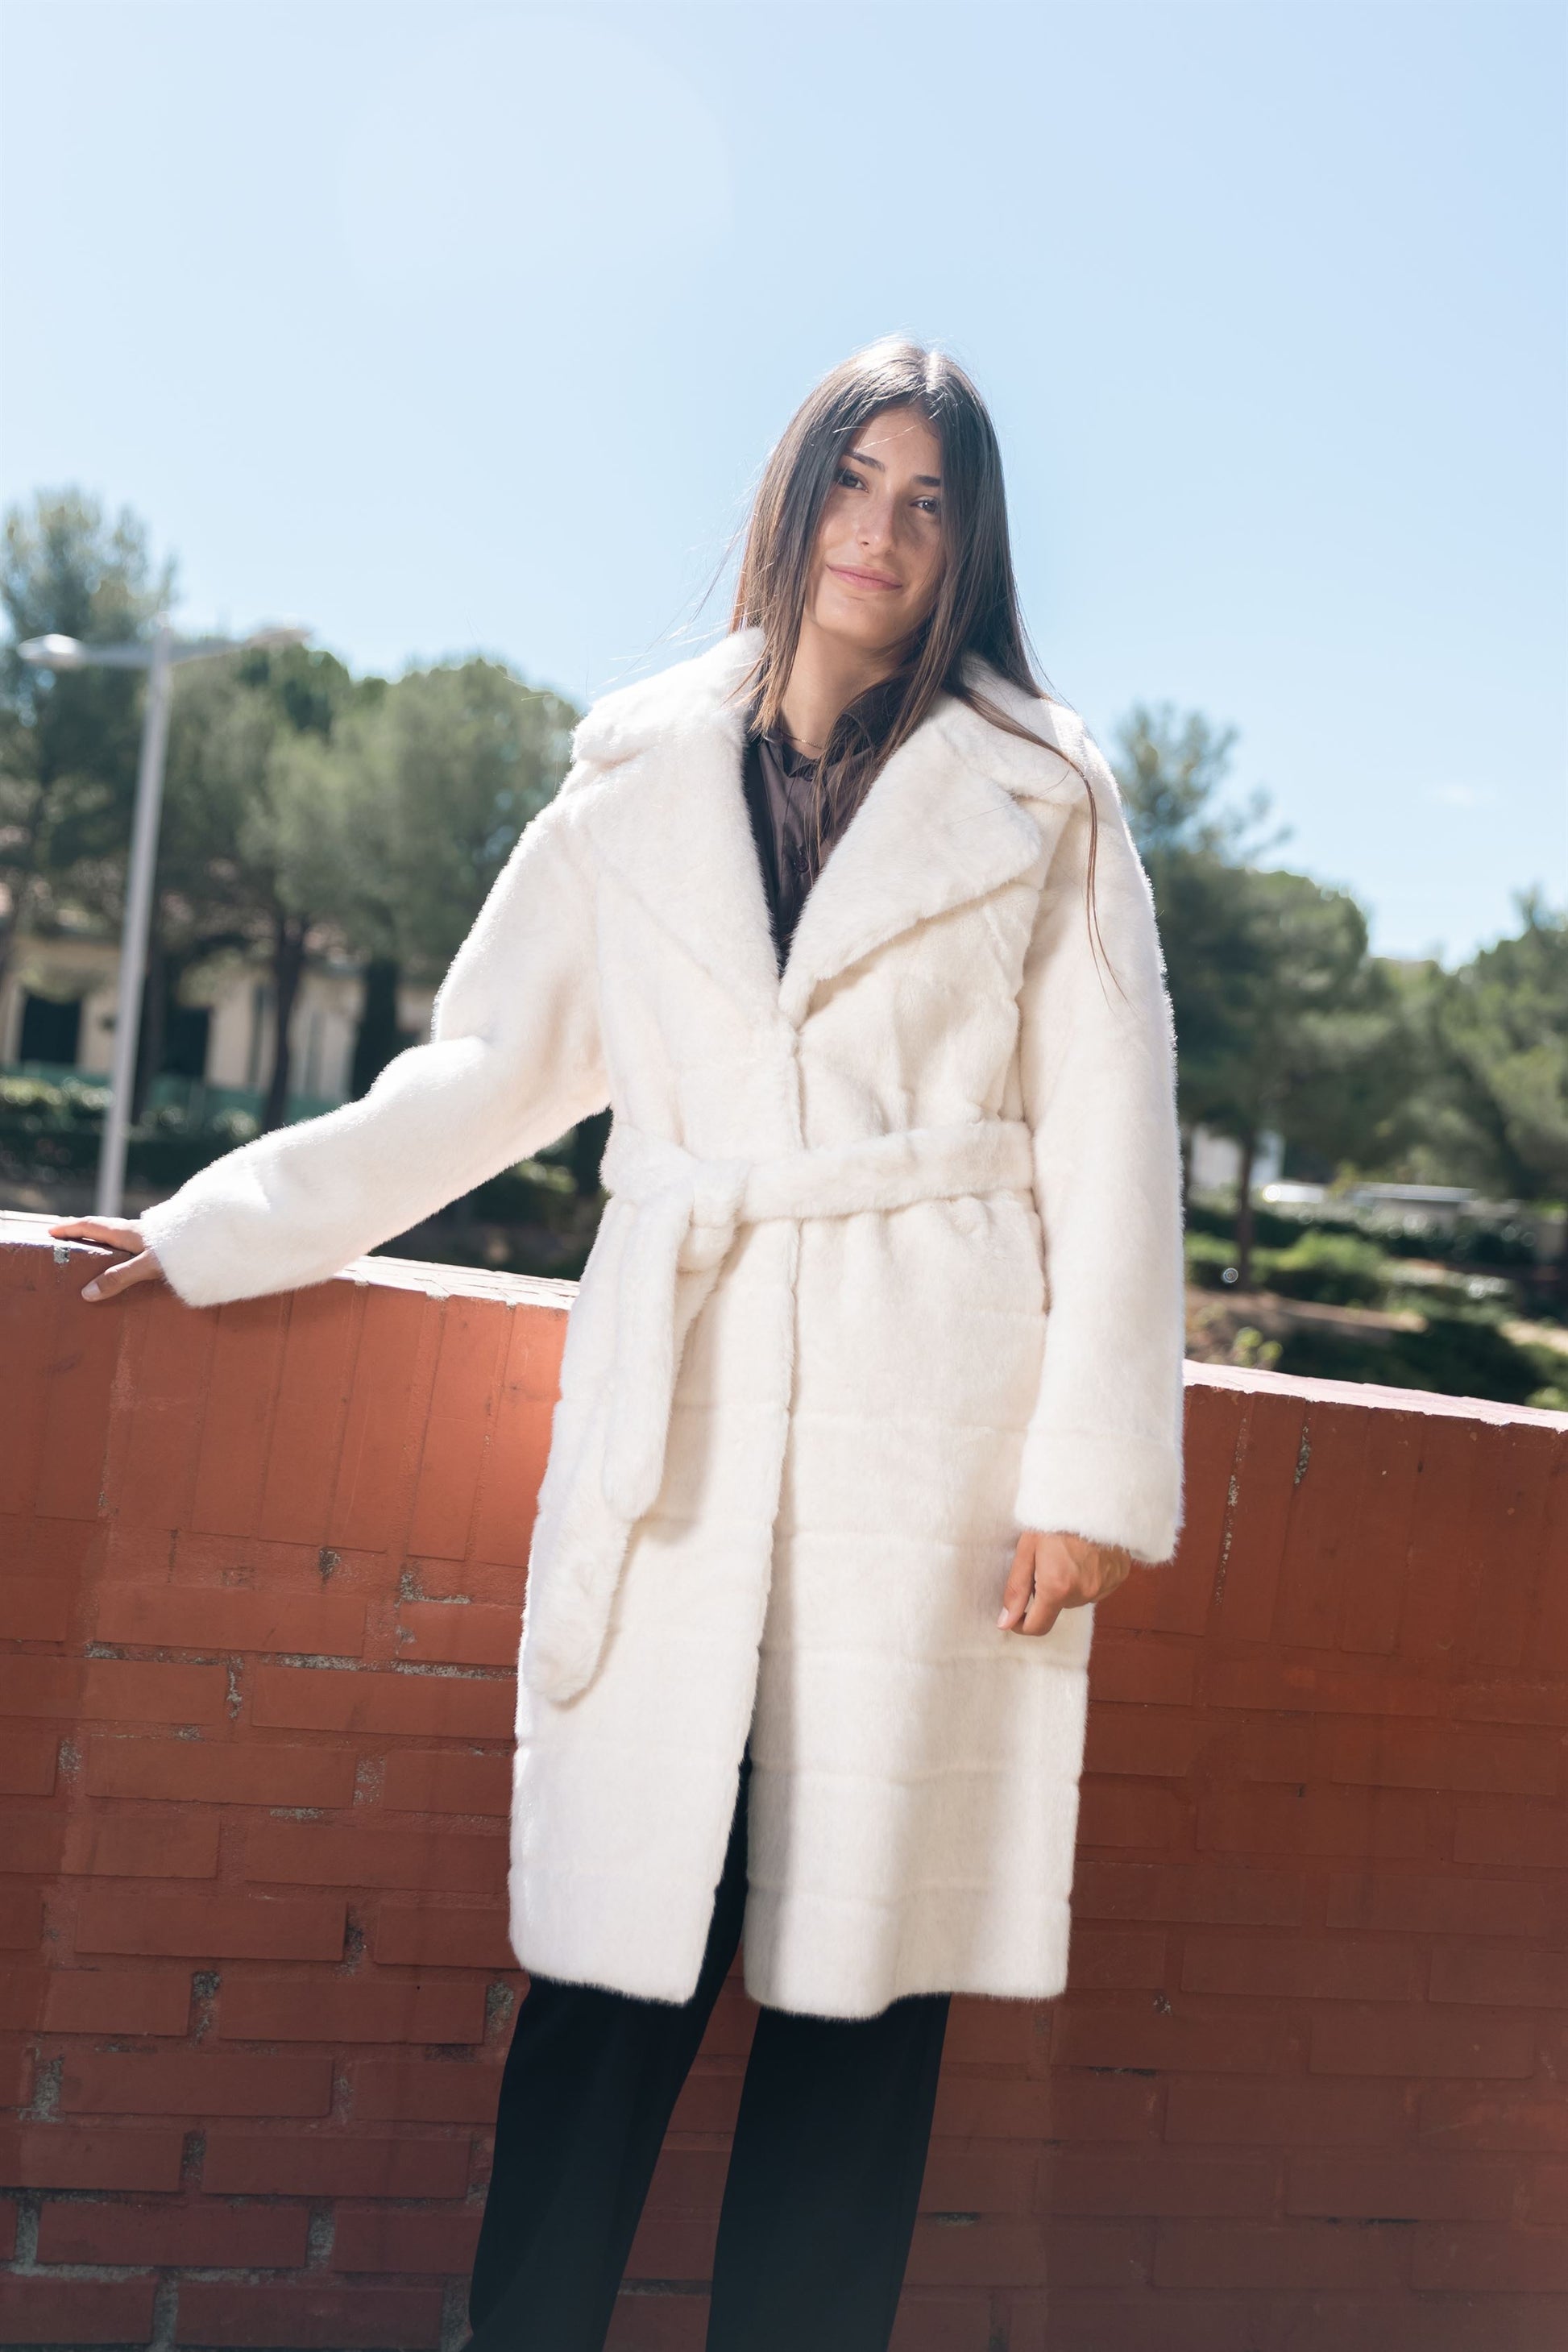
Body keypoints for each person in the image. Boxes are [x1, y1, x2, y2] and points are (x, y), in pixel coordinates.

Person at [51, 338, 1187, 2351]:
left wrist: (1087, 1480)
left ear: (969, 545)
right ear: (793, 498)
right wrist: (218, 1224)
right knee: (607, 1973)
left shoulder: (1049, 794)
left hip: (924, 1443)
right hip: (682, 1417)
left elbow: (1115, 1144)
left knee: (860, 1993)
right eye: (854, 481)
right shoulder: (635, 776)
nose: (881, 531)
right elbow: (483, 1069)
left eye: (928, 502)